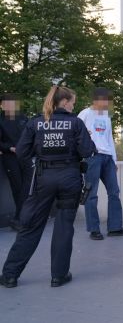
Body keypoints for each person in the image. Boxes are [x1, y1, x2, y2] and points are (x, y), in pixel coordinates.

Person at [0, 86, 96, 288]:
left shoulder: (36, 122)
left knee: (30, 226)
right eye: (72, 102)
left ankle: (10, 275)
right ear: (64, 102)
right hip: (70, 178)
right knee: (63, 227)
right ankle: (58, 276)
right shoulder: (75, 123)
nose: (73, 106)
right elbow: (88, 151)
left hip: (43, 178)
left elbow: (22, 153)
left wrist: (40, 159)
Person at [78, 87, 123, 240]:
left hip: (107, 158)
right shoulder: (85, 114)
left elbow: (109, 139)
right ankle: (94, 230)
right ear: (96, 99)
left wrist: (114, 159)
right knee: (91, 194)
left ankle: (115, 227)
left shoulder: (106, 116)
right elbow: (76, 135)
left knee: (114, 192)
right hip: (92, 157)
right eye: (105, 99)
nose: (107, 103)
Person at [0, 94, 30, 231]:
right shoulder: (1, 121)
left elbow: (31, 135)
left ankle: (21, 218)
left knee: (27, 188)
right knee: (17, 189)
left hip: (25, 157)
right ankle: (18, 219)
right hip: (10, 159)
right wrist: (10, 148)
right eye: (7, 103)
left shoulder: (23, 118)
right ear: (2, 106)